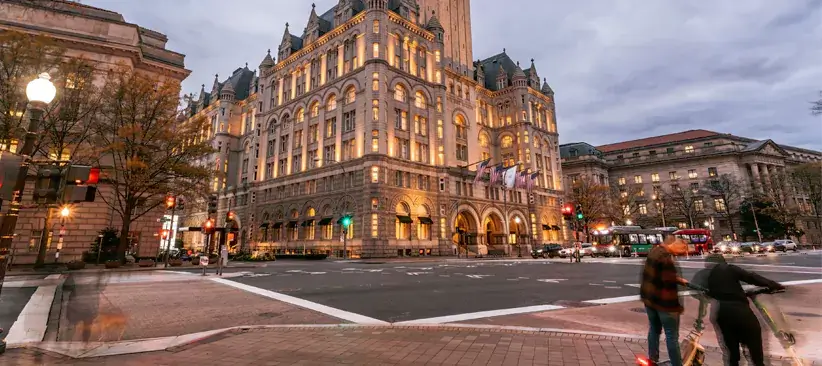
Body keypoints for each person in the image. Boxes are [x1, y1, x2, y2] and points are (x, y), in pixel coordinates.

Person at [692, 254, 785, 366]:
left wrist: (709, 297)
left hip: (721, 313)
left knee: (731, 352)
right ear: (723, 262)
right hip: (741, 310)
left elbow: (695, 291)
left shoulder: (702, 274)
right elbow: (751, 277)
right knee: (753, 343)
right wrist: (774, 285)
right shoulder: (729, 269)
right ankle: (756, 362)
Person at [640, 237, 689, 366]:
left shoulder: (654, 252)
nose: (684, 252)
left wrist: (677, 279)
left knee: (654, 330)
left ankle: (652, 359)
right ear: (673, 244)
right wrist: (676, 280)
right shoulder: (666, 258)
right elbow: (668, 281)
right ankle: (676, 364)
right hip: (665, 303)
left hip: (650, 299)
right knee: (671, 335)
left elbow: (658, 274)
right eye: (682, 248)